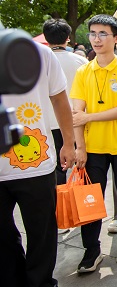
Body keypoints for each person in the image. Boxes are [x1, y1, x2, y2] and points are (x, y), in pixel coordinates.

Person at [0, 42, 75, 287]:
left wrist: (69, 143)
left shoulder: (40, 53)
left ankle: (41, 282)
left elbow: (60, 100)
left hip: (35, 164)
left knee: (41, 233)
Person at [70, 14, 117, 273]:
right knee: (90, 200)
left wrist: (90, 117)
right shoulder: (83, 71)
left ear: (116, 38)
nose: (96, 39)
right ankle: (91, 250)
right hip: (93, 148)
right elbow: (77, 114)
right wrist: (80, 147)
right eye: (93, 34)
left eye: (103, 34)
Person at [42, 18, 88, 186]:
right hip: (76, 121)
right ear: (68, 37)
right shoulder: (81, 62)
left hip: (48, 122)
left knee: (55, 169)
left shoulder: (39, 62)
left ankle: (58, 199)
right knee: (80, 165)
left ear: (46, 38)